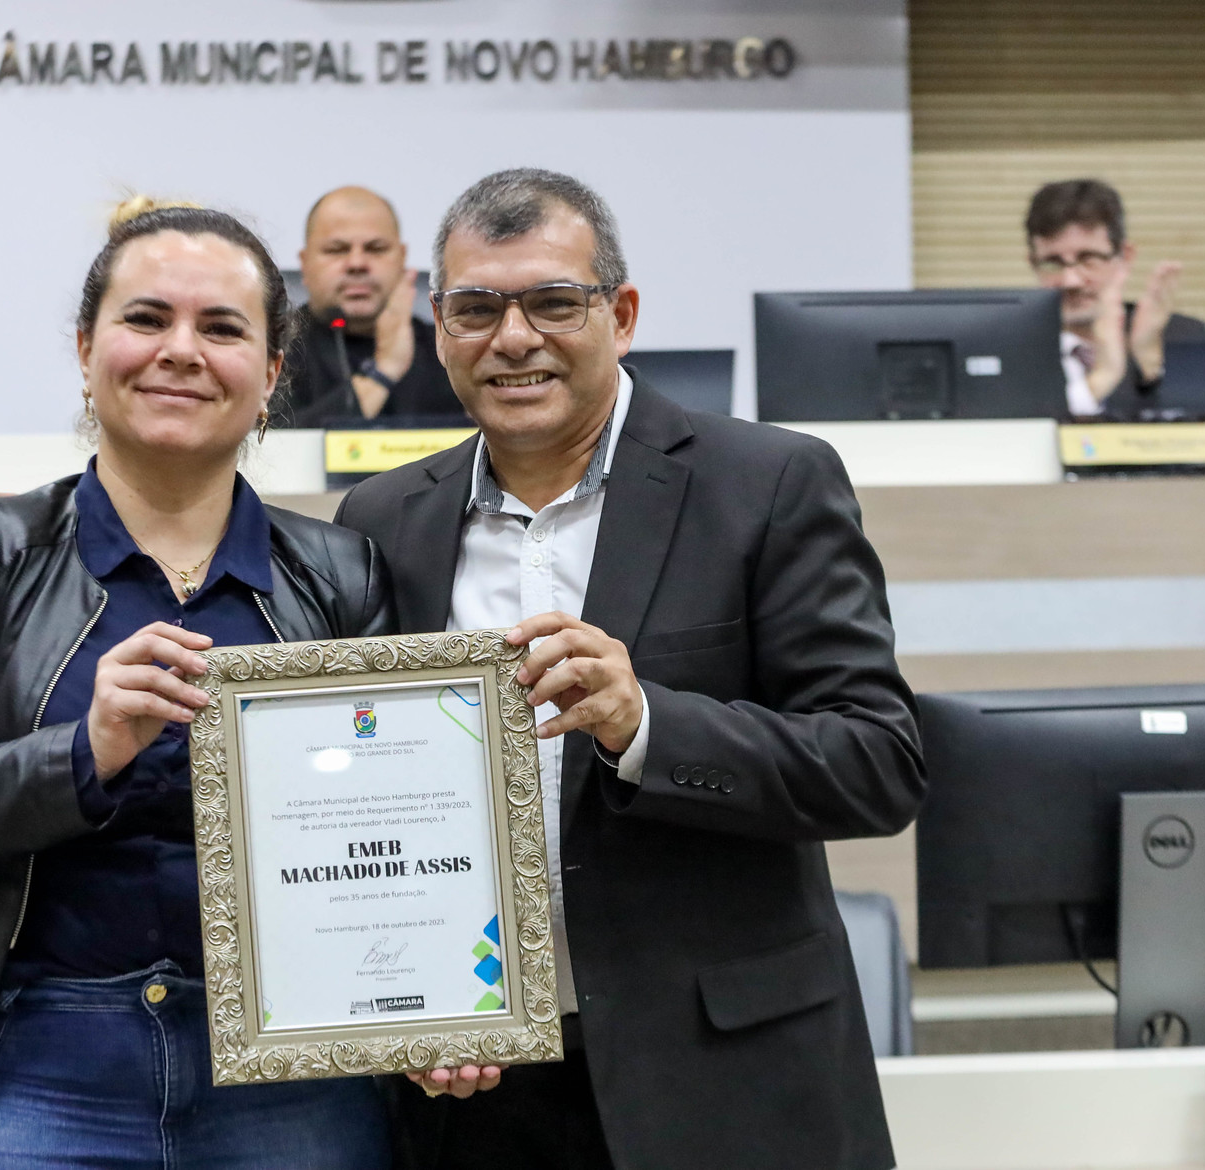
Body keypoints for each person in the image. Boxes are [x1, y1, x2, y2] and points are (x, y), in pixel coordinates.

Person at [335, 168, 924, 1170]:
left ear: (624, 313)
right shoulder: (384, 520)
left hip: (724, 1083)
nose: (512, 338)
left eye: (553, 303)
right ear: (439, 328)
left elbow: (876, 763)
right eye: (476, 308)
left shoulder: (769, 484)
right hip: (478, 1095)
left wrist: (644, 723)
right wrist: (391, 1003)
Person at [0, 199, 394, 1169]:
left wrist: (438, 1008)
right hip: (33, 1058)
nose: (181, 350)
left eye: (221, 328)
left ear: (269, 376)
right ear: (87, 349)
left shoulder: (344, 574)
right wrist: (82, 754)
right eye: (147, 319)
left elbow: (395, 837)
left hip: (294, 1070)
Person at [273, 186, 462, 427]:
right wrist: (382, 373)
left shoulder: (447, 347)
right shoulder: (273, 351)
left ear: (402, 259)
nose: (357, 263)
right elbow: (272, 447)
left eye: (375, 249)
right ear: (305, 263)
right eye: (337, 250)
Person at [1025, 178, 1205, 420]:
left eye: (1088, 259)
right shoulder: (1015, 350)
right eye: (1053, 263)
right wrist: (1103, 378)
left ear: (1125, 258)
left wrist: (1149, 365)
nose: (1071, 280)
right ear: (1033, 264)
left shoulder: (1181, 337)